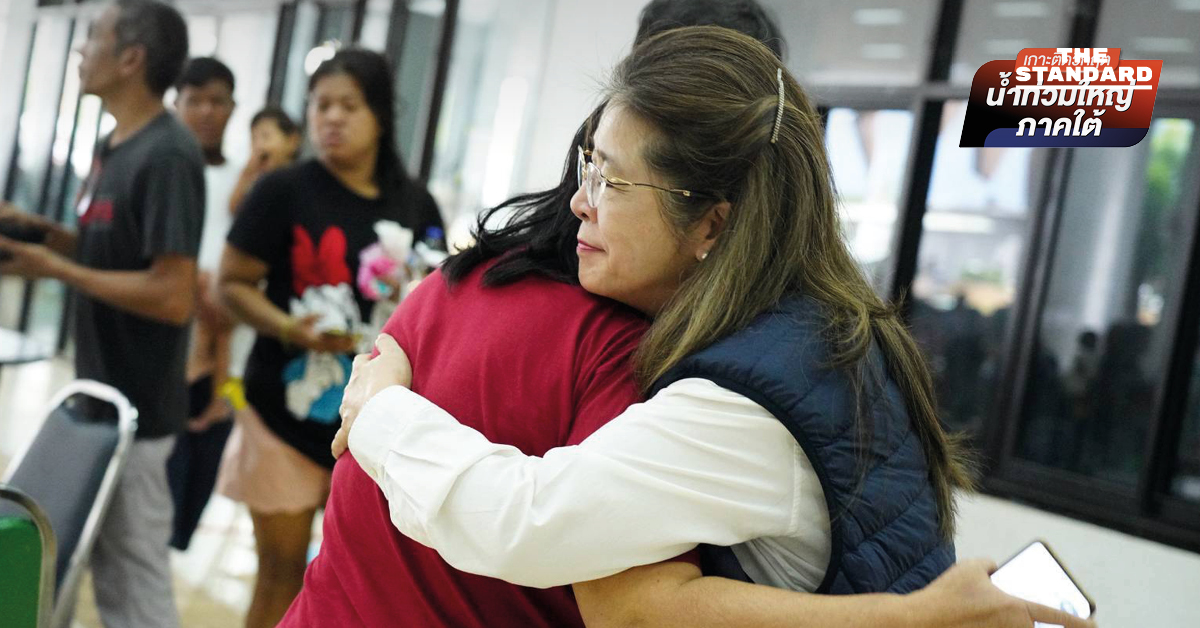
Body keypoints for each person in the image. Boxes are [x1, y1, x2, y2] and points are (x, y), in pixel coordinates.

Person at [327, 27, 1092, 628]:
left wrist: (380, 409)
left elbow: (522, 522)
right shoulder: (814, 330)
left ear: (713, 223)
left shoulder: (742, 401)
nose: (579, 203)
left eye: (612, 182)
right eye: (588, 165)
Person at [214, 48, 443, 628]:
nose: (331, 119)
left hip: (374, 425)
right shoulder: (284, 189)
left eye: (348, 105)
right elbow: (231, 284)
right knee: (280, 572)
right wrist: (290, 328)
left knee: (351, 583)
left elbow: (440, 296)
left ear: (381, 115)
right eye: (320, 106)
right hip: (283, 413)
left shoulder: (415, 202)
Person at [0, 2, 200, 626]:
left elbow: (172, 294)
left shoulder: (169, 154)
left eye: (94, 37)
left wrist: (57, 270)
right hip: (97, 390)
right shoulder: (111, 145)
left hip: (139, 404)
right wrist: (39, 233)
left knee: (133, 581)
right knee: (96, 568)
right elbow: (108, 250)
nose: (82, 50)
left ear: (132, 58)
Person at [168, 55, 241, 551]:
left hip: (230, 354)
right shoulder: (163, 171)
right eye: (195, 100)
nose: (206, 112)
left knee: (200, 474)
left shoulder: (242, 184)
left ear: (233, 108)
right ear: (177, 103)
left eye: (217, 101)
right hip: (170, 351)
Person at [228, 106, 303, 216]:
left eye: (266, 136)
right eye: (254, 138)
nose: (258, 145)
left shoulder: (301, 181)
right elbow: (234, 209)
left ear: (292, 141)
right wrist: (247, 174)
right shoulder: (255, 181)